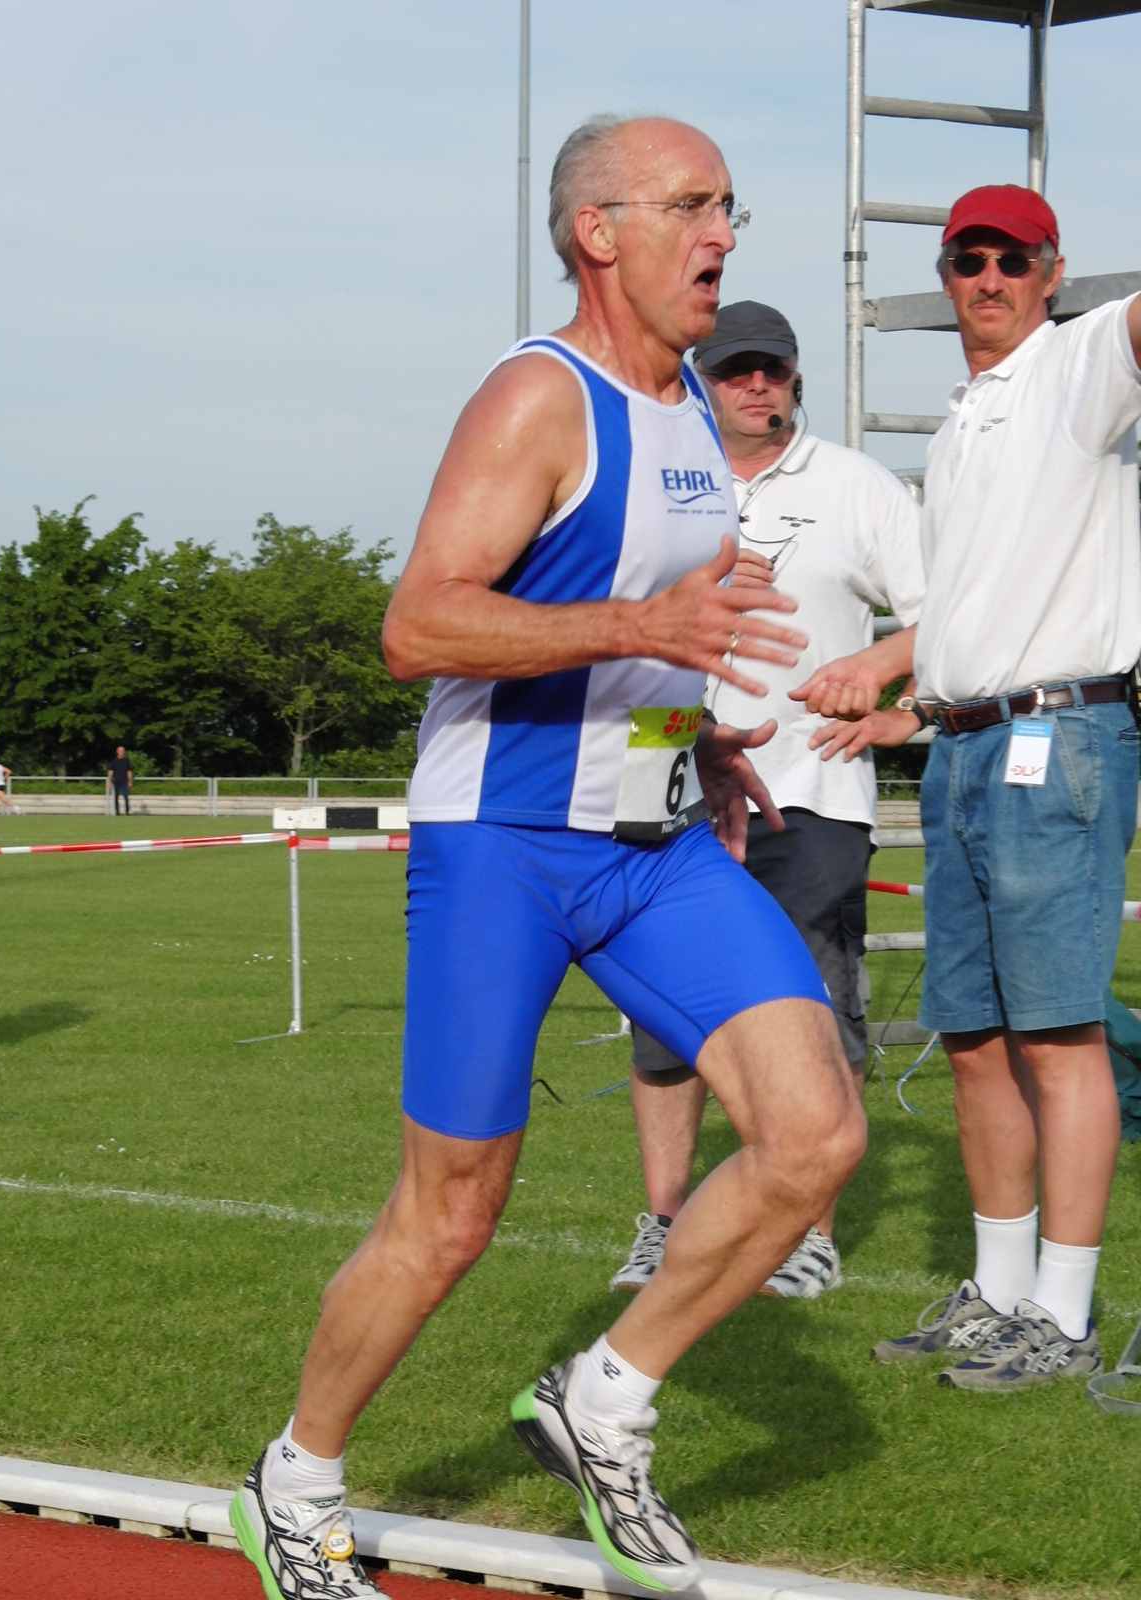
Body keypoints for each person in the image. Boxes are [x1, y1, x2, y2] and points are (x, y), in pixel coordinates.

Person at [230, 114, 867, 1600]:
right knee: (451, 1213)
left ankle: (605, 1398)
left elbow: (660, 629)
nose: (722, 235)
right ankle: (294, 1479)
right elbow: (418, 625)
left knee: (817, 1133)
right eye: (690, 206)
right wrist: (645, 628)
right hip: (502, 848)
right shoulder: (538, 397)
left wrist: (698, 734)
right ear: (598, 231)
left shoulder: (692, 407)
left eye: (730, 207)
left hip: (652, 846)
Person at [824, 184, 1141, 1391]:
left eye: (1015, 258)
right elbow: (965, 606)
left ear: (1054, 272)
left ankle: (1063, 1313)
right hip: (961, 743)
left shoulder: (1079, 365)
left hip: (1058, 737)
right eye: (970, 258)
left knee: (1059, 1035)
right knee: (973, 1039)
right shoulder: (964, 422)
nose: (991, 278)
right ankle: (1000, 1295)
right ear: (947, 276)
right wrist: (904, 698)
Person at [612, 300, 924, 1302]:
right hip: (664, 778)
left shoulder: (859, 485)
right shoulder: (658, 483)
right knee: (663, 1016)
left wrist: (881, 684)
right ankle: (664, 1226)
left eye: (773, 369)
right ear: (700, 381)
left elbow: (943, 617)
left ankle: (806, 1233)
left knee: (815, 1007)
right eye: (735, 369)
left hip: (813, 789)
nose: (757, 385)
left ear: (795, 379)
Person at [107, 745, 133, 816]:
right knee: (116, 797)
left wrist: (130, 782)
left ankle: (127, 812)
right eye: (120, 751)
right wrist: (109, 783)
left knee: (126, 797)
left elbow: (129, 772)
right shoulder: (113, 761)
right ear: (117, 752)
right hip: (116, 782)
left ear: (124, 752)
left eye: (123, 751)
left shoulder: (127, 761)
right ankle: (117, 812)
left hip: (125, 782)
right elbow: (110, 773)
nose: (122, 752)